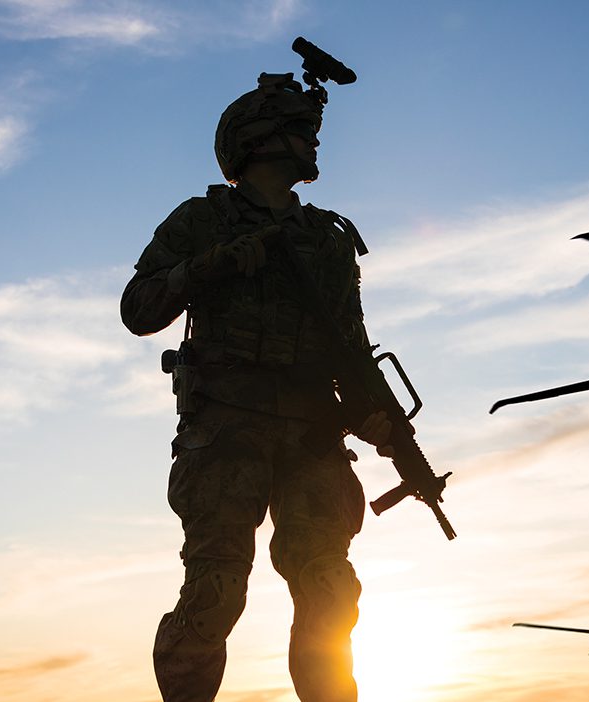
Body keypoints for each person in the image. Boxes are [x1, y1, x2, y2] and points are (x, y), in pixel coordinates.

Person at [121, 71, 395, 702]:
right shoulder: (202, 220)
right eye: (302, 131)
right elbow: (138, 309)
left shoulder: (327, 239)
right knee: (216, 593)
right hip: (226, 431)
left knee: (331, 592)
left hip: (312, 438)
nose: (314, 144)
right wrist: (209, 266)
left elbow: (348, 347)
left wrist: (374, 417)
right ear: (260, 140)